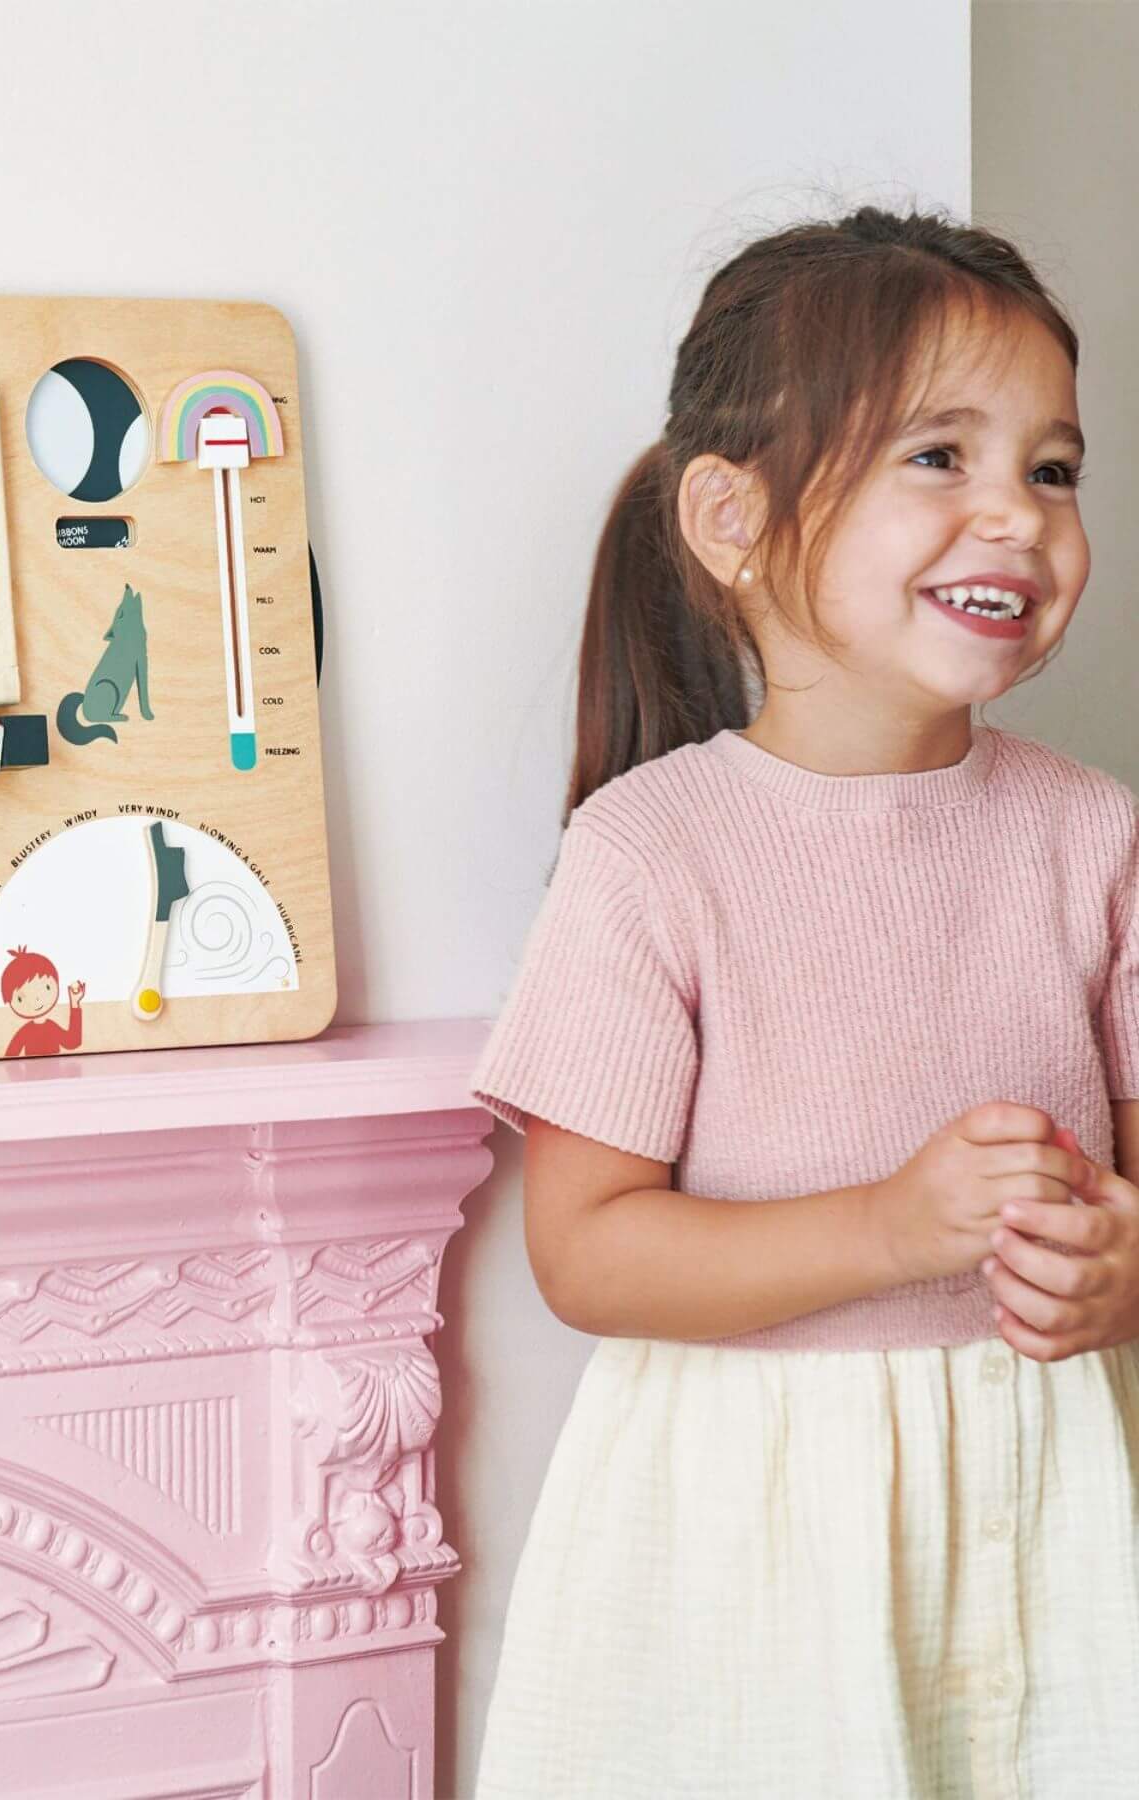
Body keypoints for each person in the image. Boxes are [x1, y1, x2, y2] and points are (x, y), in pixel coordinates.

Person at [470, 203, 1139, 1798]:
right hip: (748, 1530)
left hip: (1033, 1499)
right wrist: (896, 1232)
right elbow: (588, 1250)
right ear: (734, 517)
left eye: (1052, 469)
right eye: (938, 458)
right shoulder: (650, 852)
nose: (1018, 518)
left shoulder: (1094, 835)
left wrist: (1117, 1266)